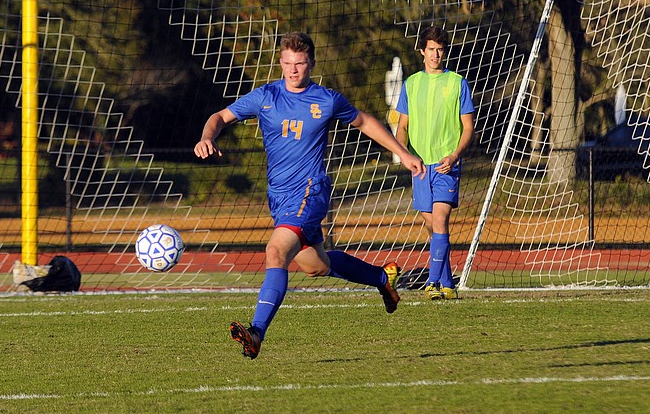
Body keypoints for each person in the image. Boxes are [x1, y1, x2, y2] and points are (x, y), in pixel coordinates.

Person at [194, 31, 425, 359]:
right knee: (317, 265)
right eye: (287, 63)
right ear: (280, 63)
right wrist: (207, 136)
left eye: (299, 64)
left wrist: (402, 152)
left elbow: (365, 122)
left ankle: (257, 332)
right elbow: (220, 117)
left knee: (275, 252)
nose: (293, 70)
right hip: (279, 196)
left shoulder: (326, 99)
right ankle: (381, 277)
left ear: (311, 63)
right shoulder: (265, 96)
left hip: (310, 191)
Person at [395, 26, 475, 300]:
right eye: (431, 49)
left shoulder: (457, 83)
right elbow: (402, 127)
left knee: (440, 220)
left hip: (445, 165)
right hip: (419, 167)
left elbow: (468, 128)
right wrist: (405, 155)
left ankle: (431, 283)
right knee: (432, 227)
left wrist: (454, 156)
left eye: (440, 49)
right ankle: (448, 285)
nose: (436, 54)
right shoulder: (412, 84)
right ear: (422, 51)